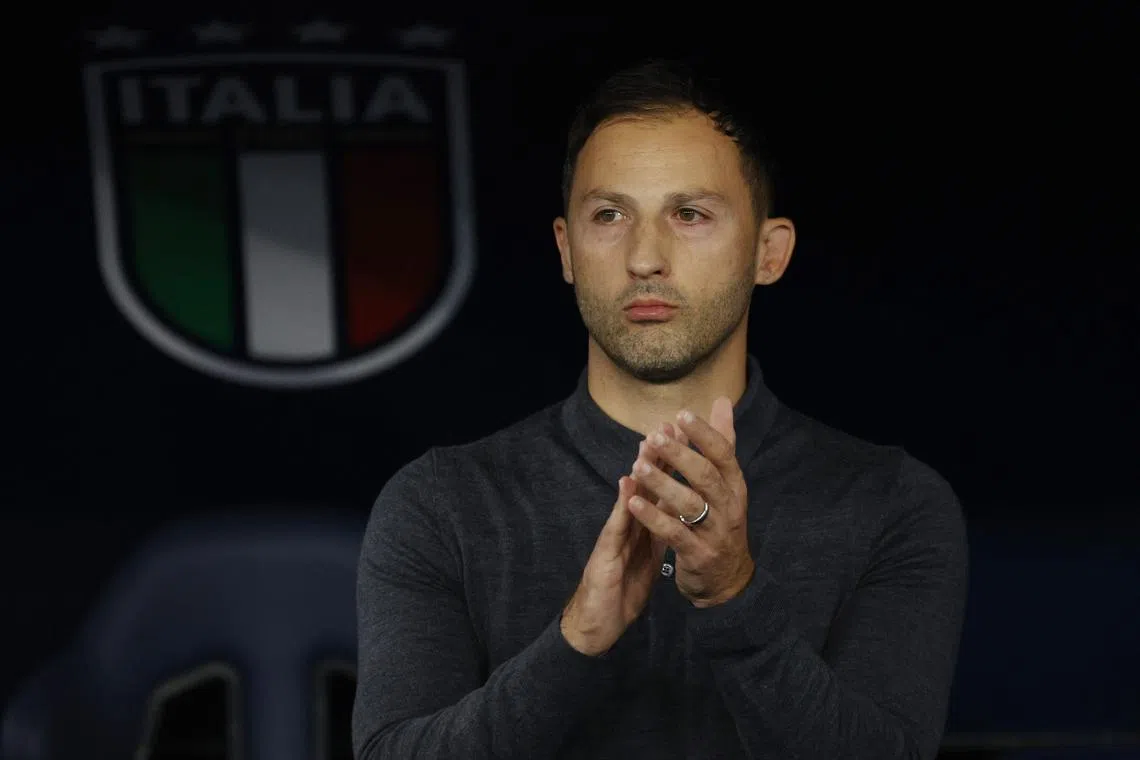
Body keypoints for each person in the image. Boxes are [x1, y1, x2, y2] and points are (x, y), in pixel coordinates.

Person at [352, 57, 968, 760]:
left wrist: (735, 598)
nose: (645, 257)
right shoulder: (440, 503)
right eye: (610, 215)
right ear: (567, 251)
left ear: (769, 253)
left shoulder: (893, 504)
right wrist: (575, 642)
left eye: (689, 214)